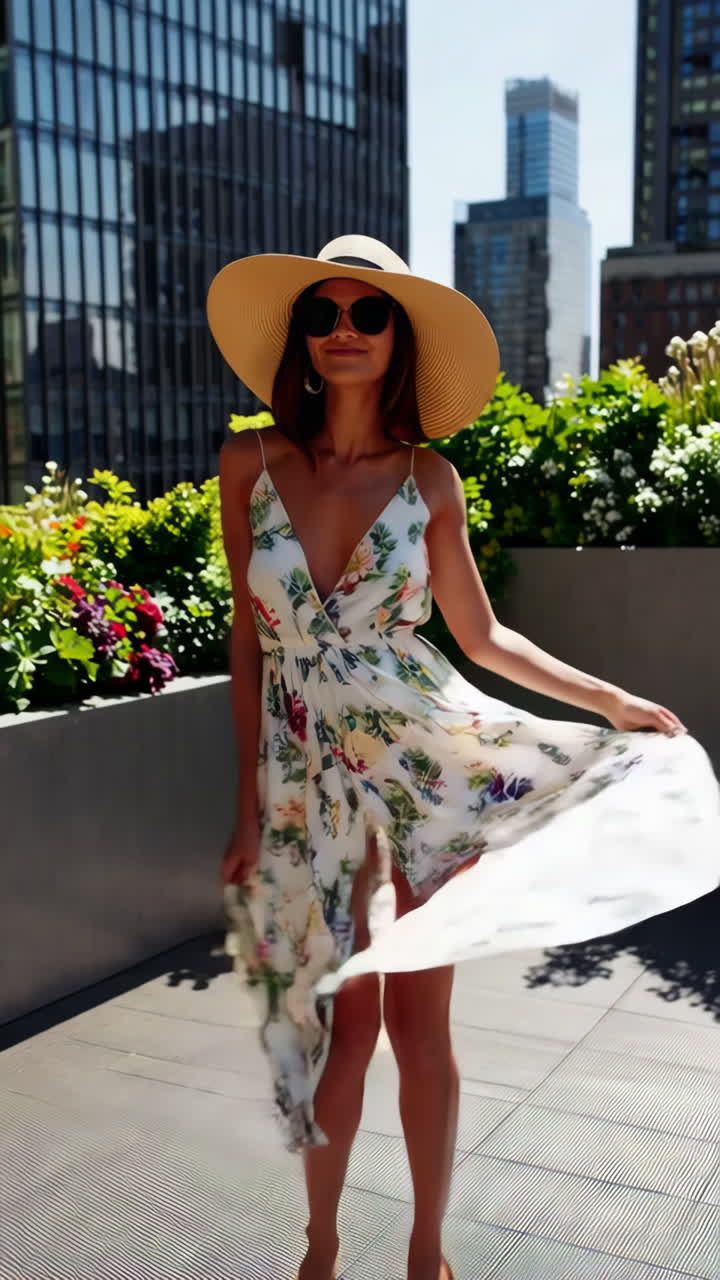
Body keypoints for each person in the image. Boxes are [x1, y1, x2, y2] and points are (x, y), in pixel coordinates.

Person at [207, 235, 719, 1280]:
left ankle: (426, 1251)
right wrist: (249, 806)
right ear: (302, 339)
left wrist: (609, 700)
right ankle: (320, 1244)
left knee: (418, 1023)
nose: (343, 330)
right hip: (307, 776)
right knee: (341, 1026)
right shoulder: (248, 463)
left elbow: (481, 637)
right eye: (322, 313)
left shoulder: (428, 478)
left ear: (398, 338)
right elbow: (250, 640)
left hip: (425, 758)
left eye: (368, 313)